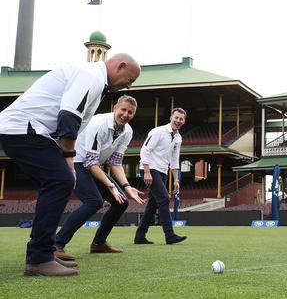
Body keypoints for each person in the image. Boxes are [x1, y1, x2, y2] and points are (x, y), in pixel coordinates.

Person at [0, 53, 140, 276]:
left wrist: (123, 186)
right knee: (61, 179)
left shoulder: (96, 81)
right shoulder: (91, 75)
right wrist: (68, 160)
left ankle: (44, 252)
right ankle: (40, 257)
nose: (129, 86)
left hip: (34, 131)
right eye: (130, 79)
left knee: (59, 181)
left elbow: (115, 161)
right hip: (25, 128)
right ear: (120, 66)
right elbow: (68, 117)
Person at [53, 95, 146, 261]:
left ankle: (99, 244)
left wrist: (126, 186)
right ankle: (56, 245)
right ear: (115, 109)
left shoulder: (127, 131)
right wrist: (110, 186)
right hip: (76, 163)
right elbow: (91, 163)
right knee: (94, 201)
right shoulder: (99, 123)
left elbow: (115, 162)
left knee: (121, 202)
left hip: (93, 165)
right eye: (123, 110)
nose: (126, 114)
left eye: (130, 112)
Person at [134, 108, 188, 245]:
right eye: (176, 117)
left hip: (162, 171)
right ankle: (169, 235)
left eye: (181, 119)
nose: (178, 121)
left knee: (152, 205)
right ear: (171, 117)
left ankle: (140, 236)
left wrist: (176, 179)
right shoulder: (158, 131)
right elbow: (145, 150)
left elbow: (175, 160)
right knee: (164, 198)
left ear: (184, 121)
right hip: (150, 169)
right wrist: (146, 171)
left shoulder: (178, 138)